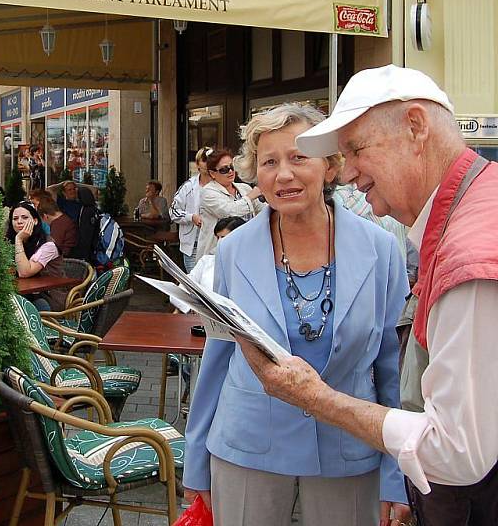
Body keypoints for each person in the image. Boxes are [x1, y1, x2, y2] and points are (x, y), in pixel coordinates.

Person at [238, 65, 498, 526]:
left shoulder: (465, 253)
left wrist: (320, 400)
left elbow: (457, 452)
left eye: (356, 150)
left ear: (415, 126)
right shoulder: (474, 208)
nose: (351, 172)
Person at [183, 103, 409, 526]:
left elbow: (393, 367)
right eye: (269, 162)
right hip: (247, 446)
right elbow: (216, 359)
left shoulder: (380, 250)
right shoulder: (233, 250)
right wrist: (196, 459)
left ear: (331, 167)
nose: (283, 174)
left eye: (299, 157)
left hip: (350, 447)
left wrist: (397, 474)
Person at [194, 148, 263, 259]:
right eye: (224, 169)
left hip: (246, 250)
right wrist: (251, 196)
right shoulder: (208, 192)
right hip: (217, 253)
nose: (230, 171)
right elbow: (229, 212)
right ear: (212, 173)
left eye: (232, 167)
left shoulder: (244, 188)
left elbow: (262, 211)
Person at [169, 216, 244, 313]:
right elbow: (180, 291)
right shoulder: (206, 261)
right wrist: (190, 309)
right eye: (218, 238)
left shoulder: (248, 268)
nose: (220, 242)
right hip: (201, 318)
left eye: (225, 238)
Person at [5, 201, 65, 310]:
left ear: (35, 221)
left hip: (48, 297)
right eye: (15, 218)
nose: (19, 222)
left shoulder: (48, 246)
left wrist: (18, 240)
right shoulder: (8, 242)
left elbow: (24, 272)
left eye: (24, 217)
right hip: (24, 292)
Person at [170, 147, 213, 273]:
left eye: (210, 160)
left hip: (213, 244)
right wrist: (191, 217)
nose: (207, 163)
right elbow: (173, 211)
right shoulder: (189, 187)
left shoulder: (220, 185)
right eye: (204, 160)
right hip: (192, 245)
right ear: (198, 164)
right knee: (195, 284)